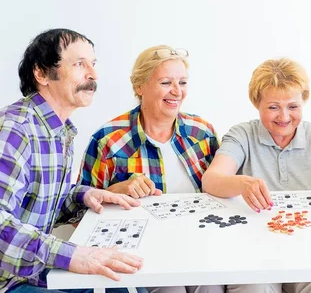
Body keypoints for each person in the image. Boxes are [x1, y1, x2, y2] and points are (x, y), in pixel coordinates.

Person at [0, 29, 144, 293]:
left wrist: (85, 196)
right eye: (79, 64)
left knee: (123, 285)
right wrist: (74, 255)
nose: (93, 75)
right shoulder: (14, 130)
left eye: (93, 64)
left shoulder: (60, 131)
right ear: (41, 73)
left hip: (31, 272)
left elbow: (36, 200)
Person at [78, 45, 222, 293]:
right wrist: (115, 191)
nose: (177, 91)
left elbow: (221, 191)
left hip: (200, 244)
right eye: (166, 82)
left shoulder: (202, 132)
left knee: (211, 287)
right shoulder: (108, 140)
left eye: (183, 82)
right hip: (144, 253)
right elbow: (79, 214)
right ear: (139, 87)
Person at [203, 58, 311, 293]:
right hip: (252, 247)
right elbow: (211, 180)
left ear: (304, 101)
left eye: (293, 106)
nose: (284, 116)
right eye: (273, 107)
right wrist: (242, 183)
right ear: (256, 104)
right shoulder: (242, 134)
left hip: (310, 246)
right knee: (254, 287)